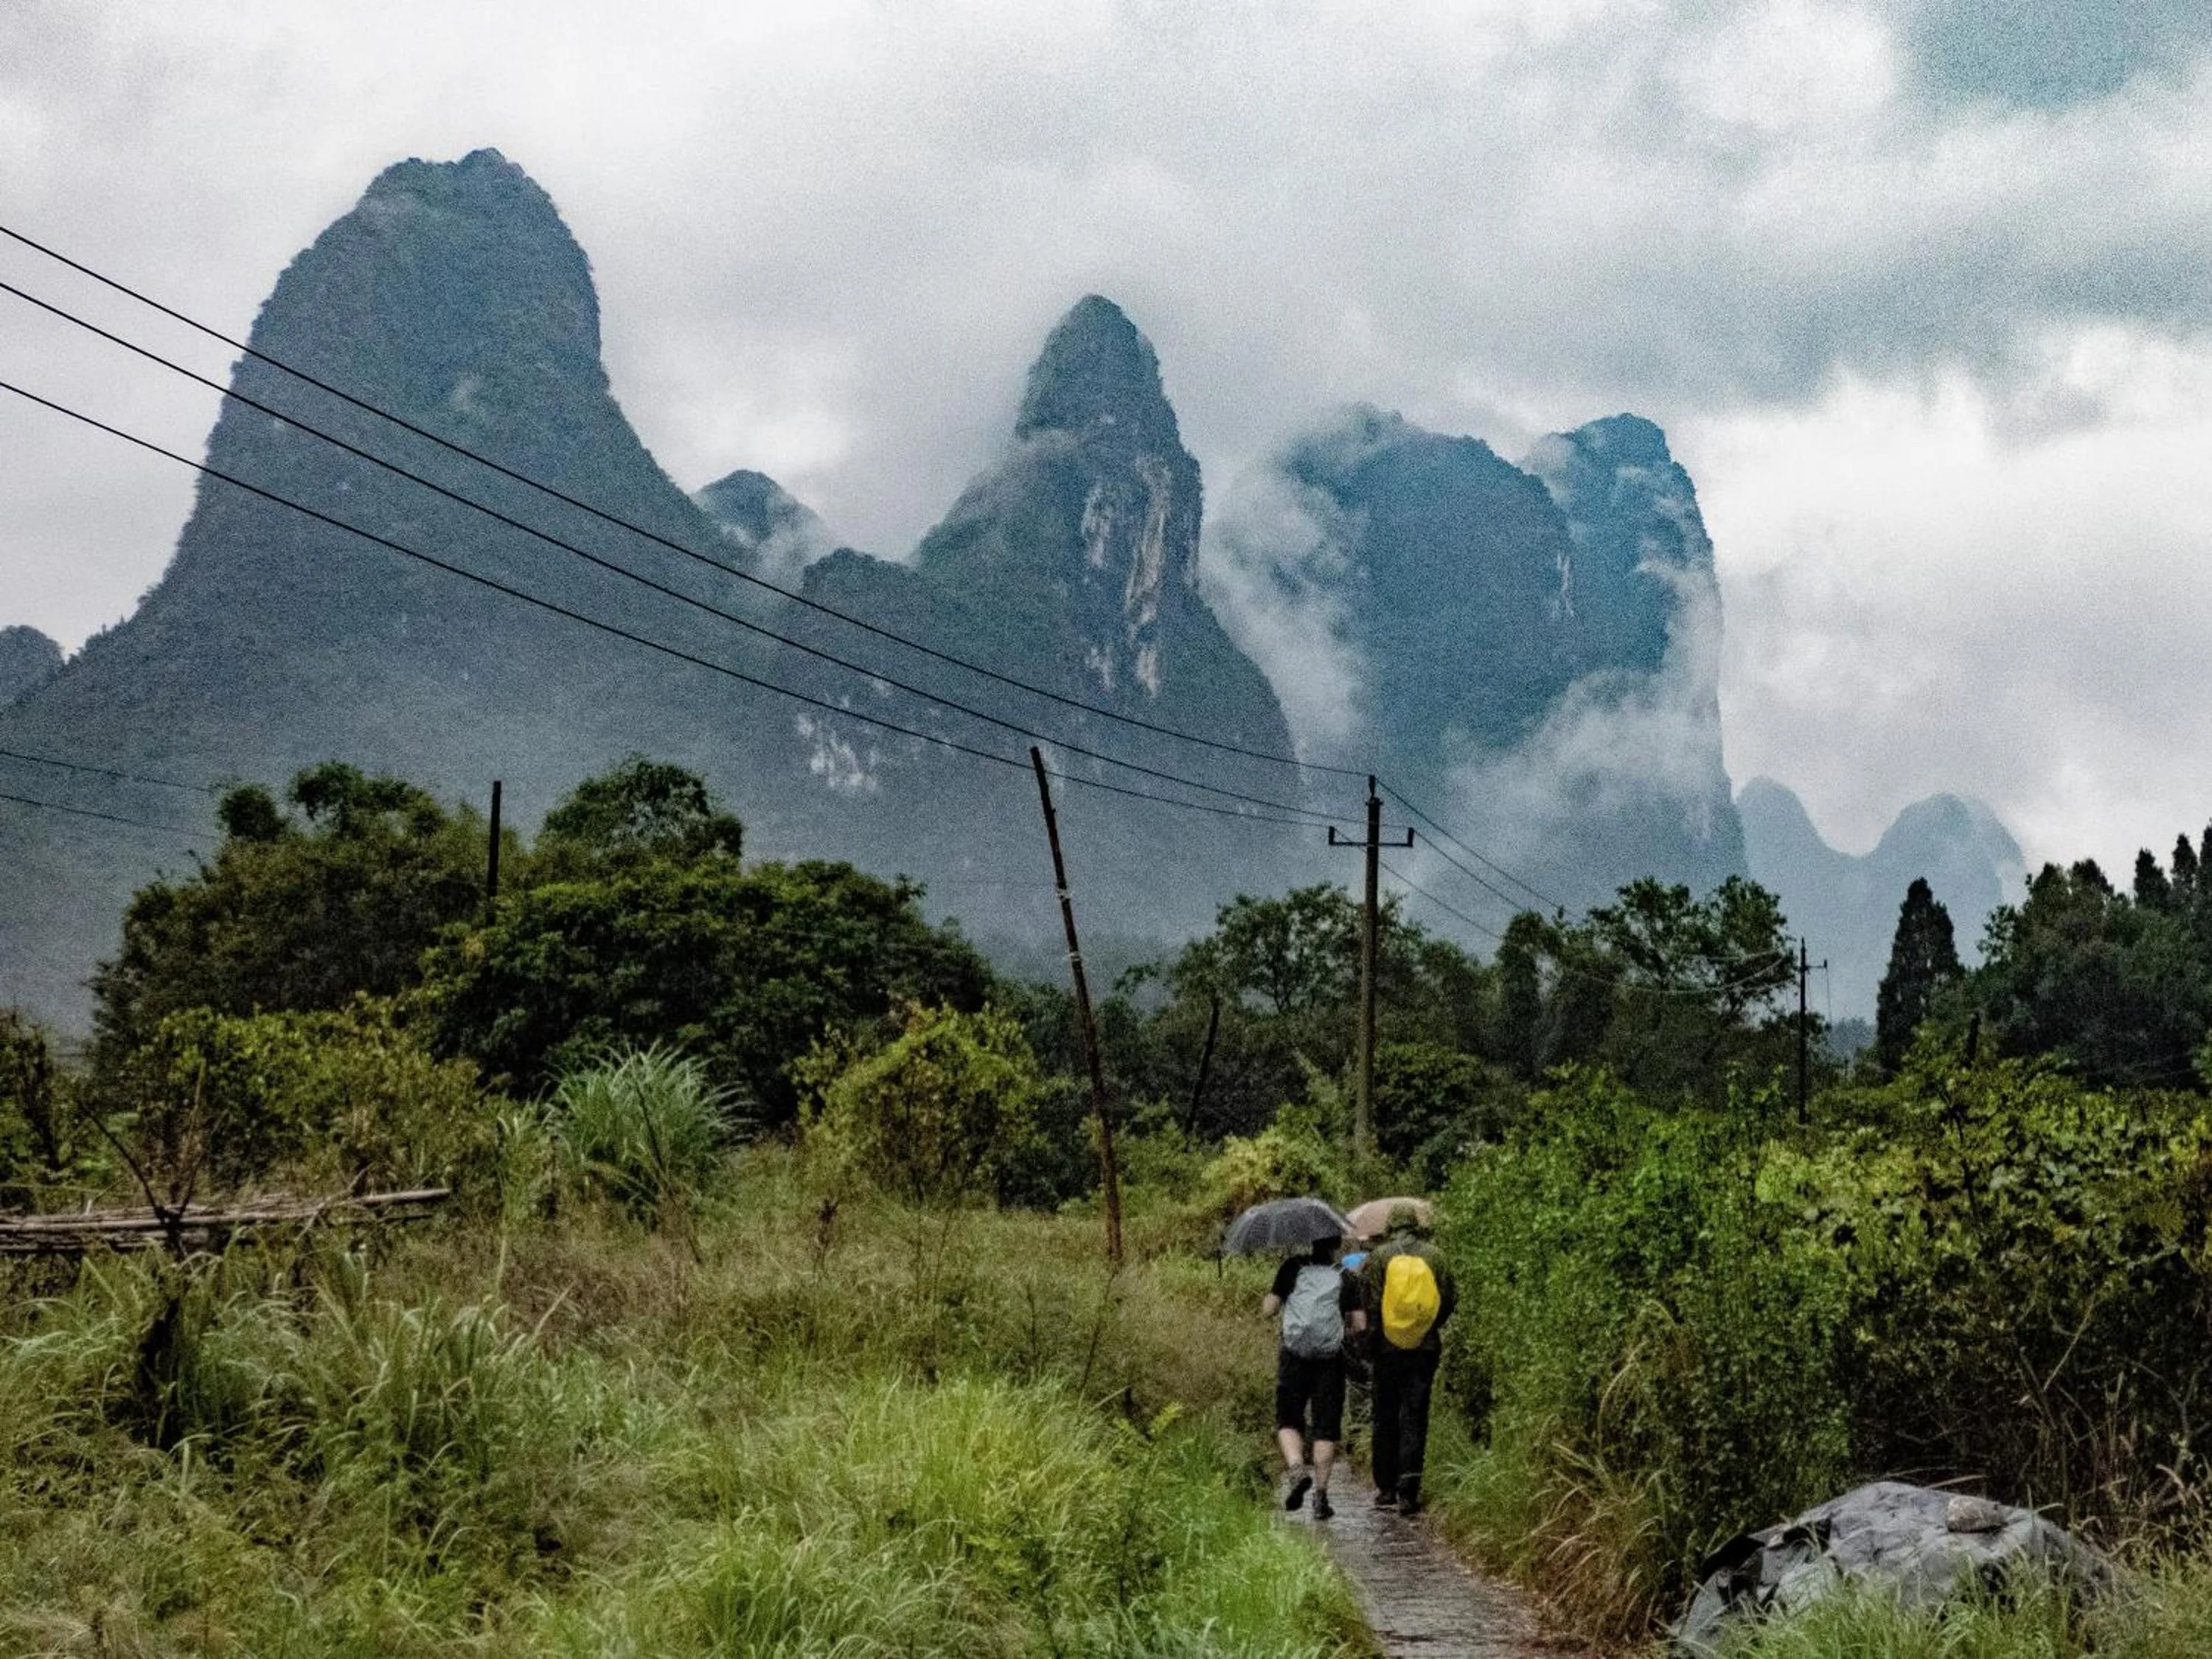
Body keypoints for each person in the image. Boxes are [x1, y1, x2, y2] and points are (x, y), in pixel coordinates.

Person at [1360, 1204, 1456, 1514]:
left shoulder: (1379, 1257)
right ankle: (1409, 1492)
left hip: (1386, 1351)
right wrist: (1427, 1328)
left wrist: (1372, 1343)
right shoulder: (1436, 1256)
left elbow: (1372, 1304)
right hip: (1424, 1349)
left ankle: (1386, 1489)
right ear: (1416, 1225)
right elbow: (1448, 1299)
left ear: (1390, 1226)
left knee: (1385, 1416)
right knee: (1415, 1416)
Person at [1261, 1234, 1364, 1520]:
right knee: (1326, 1427)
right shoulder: (1345, 1275)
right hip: (1330, 1362)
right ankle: (1321, 1497)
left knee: (1288, 1420)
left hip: (1293, 1358)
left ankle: (1296, 1469)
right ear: (1336, 1244)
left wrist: (1274, 1298)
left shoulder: (1292, 1268)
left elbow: (1269, 1310)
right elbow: (1360, 1324)